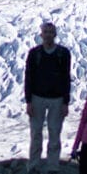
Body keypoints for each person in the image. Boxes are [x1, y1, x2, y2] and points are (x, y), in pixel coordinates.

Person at [23, 21, 72, 163]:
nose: (48, 35)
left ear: (55, 34)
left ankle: (53, 167)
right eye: (46, 32)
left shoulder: (63, 54)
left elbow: (66, 77)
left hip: (57, 99)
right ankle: (33, 166)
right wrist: (29, 101)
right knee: (36, 134)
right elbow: (29, 77)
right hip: (37, 97)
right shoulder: (34, 54)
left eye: (51, 32)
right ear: (41, 34)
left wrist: (65, 102)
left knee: (55, 133)